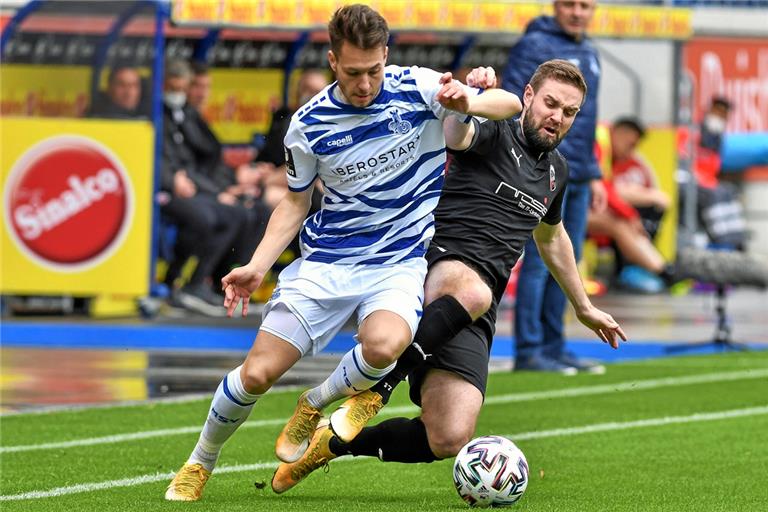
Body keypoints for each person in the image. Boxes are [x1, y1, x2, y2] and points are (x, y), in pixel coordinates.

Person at [165, 4, 522, 501]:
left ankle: (315, 402)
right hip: (326, 265)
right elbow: (294, 202)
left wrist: (468, 99)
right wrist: (257, 265)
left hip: (396, 264)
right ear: (334, 61)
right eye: (354, 72)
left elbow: (510, 107)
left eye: (374, 70)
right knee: (256, 375)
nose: (365, 83)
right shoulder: (308, 124)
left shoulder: (418, 88)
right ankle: (199, 461)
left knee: (384, 345)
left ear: (386, 56)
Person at [269, 59, 626, 494]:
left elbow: (552, 239)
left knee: (448, 435)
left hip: (474, 307)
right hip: (431, 264)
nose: (557, 117)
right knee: (473, 288)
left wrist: (584, 307)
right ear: (529, 97)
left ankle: (331, 445)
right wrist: (464, 103)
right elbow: (458, 134)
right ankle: (374, 392)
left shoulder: (557, 172)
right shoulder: (497, 132)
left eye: (569, 112)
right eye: (551, 104)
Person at [503, 0, 607, 375]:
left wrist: (593, 171)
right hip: (541, 167)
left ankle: (554, 344)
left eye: (585, 6)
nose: (577, 12)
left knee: (567, 262)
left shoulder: (589, 51)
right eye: (570, 4)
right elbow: (515, 104)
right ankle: (529, 350)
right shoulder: (535, 45)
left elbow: (587, 119)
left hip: (576, 172)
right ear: (555, 6)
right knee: (538, 264)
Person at [158, 59, 248, 316]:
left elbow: (205, 155)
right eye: (171, 87)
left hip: (192, 185)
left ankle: (204, 283)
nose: (176, 94)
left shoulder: (185, 114)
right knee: (205, 218)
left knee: (239, 213)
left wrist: (221, 189)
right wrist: (173, 178)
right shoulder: (158, 113)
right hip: (164, 190)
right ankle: (175, 282)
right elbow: (161, 158)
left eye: (180, 88)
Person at [589, 117, 676, 292]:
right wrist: (630, 215)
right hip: (564, 207)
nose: (631, 152)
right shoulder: (599, 141)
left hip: (572, 204)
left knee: (622, 219)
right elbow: (604, 188)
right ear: (621, 133)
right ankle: (666, 273)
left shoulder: (604, 146)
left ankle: (663, 271)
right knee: (618, 223)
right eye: (631, 145)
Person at [691, 96, 747, 250]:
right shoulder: (693, 131)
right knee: (717, 194)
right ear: (709, 110)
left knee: (729, 191)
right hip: (690, 181)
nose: (720, 116)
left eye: (724, 114)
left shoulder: (717, 138)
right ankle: (724, 243)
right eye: (718, 111)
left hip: (708, 182)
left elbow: (714, 167)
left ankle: (735, 243)